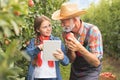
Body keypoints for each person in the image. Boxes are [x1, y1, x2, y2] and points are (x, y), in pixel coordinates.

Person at [52, 2, 103, 80]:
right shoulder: (67, 33)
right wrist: (71, 49)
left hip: (91, 70)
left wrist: (79, 48)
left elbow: (96, 63)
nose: (62, 25)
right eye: (61, 22)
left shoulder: (92, 31)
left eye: (64, 21)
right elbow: (71, 59)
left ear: (75, 19)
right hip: (76, 70)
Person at [25, 15, 69, 80]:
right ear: (38, 29)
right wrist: (38, 48)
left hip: (53, 78)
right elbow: (28, 55)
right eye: (45, 27)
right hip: (37, 77)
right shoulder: (33, 42)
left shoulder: (56, 41)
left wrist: (62, 57)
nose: (48, 29)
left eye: (49, 25)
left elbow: (66, 62)